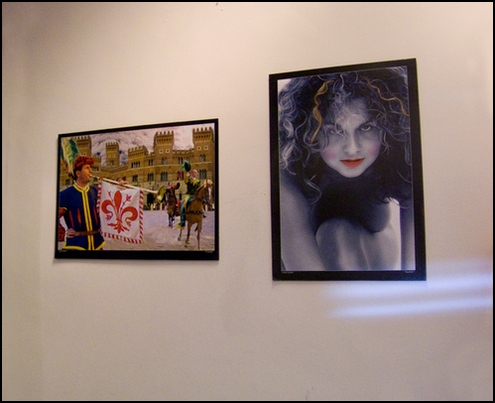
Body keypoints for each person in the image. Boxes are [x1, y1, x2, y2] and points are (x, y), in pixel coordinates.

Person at [278, 66, 415, 272]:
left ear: (387, 127)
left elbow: (414, 272)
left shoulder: (400, 163)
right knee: (334, 234)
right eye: (334, 130)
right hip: (296, 270)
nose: (352, 148)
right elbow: (305, 276)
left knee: (336, 233)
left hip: (373, 252)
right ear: (310, 132)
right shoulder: (289, 174)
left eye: (366, 127)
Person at [58, 155, 105, 250]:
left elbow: (115, 200)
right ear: (78, 173)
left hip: (98, 246)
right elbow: (51, 217)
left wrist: (121, 186)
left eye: (91, 168)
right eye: (87, 168)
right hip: (76, 246)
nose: (91, 171)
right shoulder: (65, 194)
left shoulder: (97, 192)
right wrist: (63, 231)